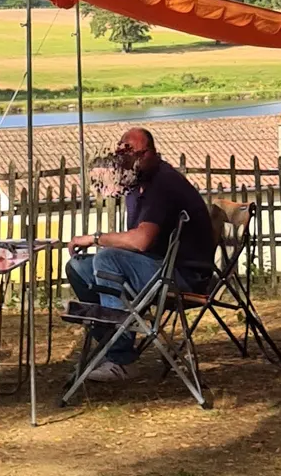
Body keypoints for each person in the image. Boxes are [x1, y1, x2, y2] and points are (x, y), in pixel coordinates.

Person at [66, 126, 217, 382]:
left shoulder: (163, 184)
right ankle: (110, 343)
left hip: (184, 274)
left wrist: (94, 239)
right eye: (122, 154)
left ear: (151, 153)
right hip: (157, 266)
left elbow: (141, 240)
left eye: (133, 153)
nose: (126, 159)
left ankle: (121, 359)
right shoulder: (136, 184)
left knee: (106, 258)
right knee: (78, 267)